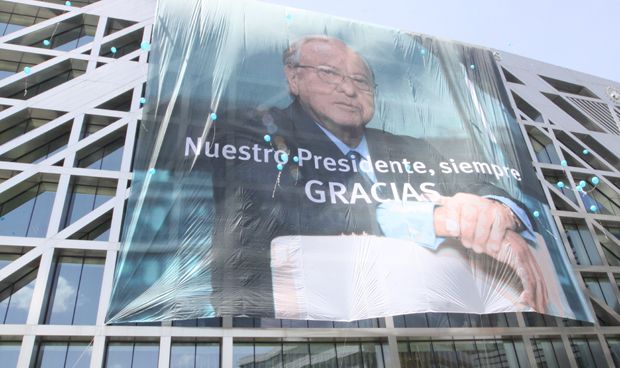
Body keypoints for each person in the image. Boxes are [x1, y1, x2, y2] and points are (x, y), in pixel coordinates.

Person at [206, 35, 547, 316]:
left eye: (360, 80)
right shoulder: (251, 131)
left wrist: (496, 216)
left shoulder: (412, 149)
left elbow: (487, 189)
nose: (348, 89)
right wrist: (435, 220)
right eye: (328, 73)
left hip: (428, 323)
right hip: (294, 327)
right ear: (293, 78)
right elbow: (288, 212)